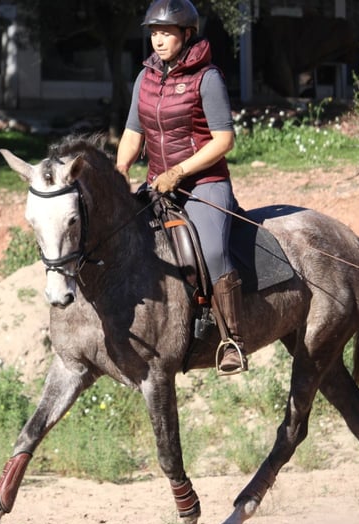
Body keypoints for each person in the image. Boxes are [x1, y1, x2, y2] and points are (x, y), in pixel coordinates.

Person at [116, 0, 247, 374]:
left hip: (204, 183)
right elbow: (132, 132)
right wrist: (121, 166)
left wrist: (179, 171)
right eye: (154, 33)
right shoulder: (145, 78)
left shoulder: (208, 78)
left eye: (166, 33)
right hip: (157, 184)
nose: (158, 40)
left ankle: (231, 340)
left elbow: (224, 140)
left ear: (187, 34)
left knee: (214, 251)